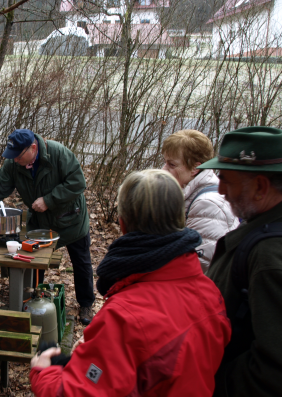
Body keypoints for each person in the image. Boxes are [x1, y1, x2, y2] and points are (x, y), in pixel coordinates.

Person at [30, 169, 231, 396]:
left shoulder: (124, 318)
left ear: (123, 224)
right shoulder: (212, 294)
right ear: (180, 218)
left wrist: (43, 372)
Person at [0, 129, 95, 324]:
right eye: (12, 156)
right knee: (35, 261)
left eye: (18, 156)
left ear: (33, 148)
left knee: (81, 263)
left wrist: (49, 200)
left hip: (71, 219)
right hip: (41, 222)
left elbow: (77, 182)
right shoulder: (14, 163)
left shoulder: (58, 154)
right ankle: (33, 299)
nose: (14, 160)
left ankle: (86, 304)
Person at [198, 126, 282, 396]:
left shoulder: (269, 256)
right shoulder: (261, 230)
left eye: (226, 179)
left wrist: (211, 384)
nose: (220, 190)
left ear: (260, 186)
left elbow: (272, 370)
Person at [162, 129, 239, 271]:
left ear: (195, 168)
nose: (163, 169)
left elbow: (202, 266)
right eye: (165, 162)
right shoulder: (191, 192)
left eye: (171, 165)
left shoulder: (208, 204)